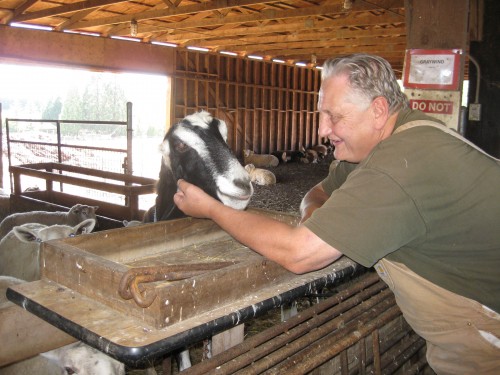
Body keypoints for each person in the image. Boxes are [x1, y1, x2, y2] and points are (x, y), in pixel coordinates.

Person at [174, 54, 500, 374]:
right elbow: (318, 192)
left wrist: (211, 209)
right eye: (321, 115)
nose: (321, 130)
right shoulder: (395, 140)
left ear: (377, 110)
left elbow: (300, 254)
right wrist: (318, 216)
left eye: (334, 116)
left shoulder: (398, 165)